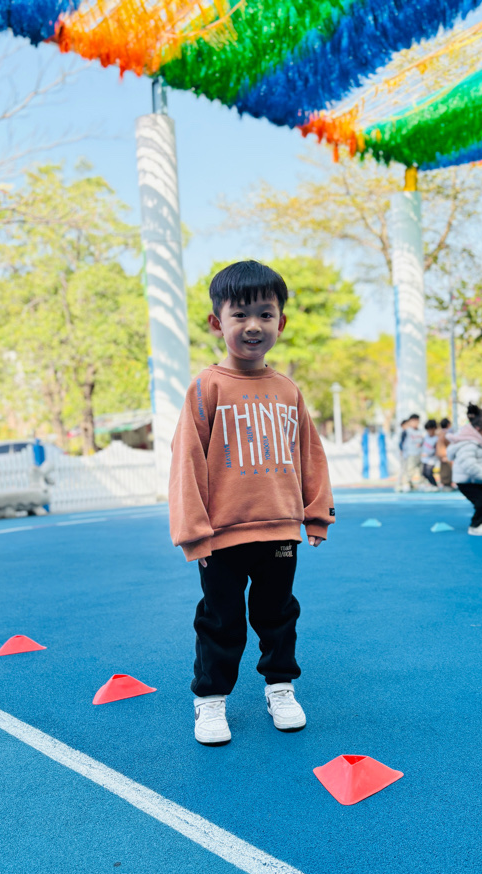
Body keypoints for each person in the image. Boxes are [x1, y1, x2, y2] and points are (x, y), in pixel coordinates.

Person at [169, 260, 334, 746]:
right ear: (216, 322)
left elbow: (309, 453)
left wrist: (316, 514)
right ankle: (210, 698)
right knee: (221, 620)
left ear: (281, 322)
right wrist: (193, 532)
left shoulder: (287, 390)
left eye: (265, 314)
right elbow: (186, 460)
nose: (253, 325)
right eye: (240, 315)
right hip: (221, 536)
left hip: (280, 531)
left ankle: (280, 688)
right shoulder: (207, 387)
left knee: (278, 615)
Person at [447, 403, 482, 536]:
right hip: (465, 481)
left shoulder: (481, 444)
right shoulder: (468, 444)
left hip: (475, 480)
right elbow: (468, 464)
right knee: (481, 501)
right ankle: (475, 525)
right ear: (478, 429)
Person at [397, 414, 423, 491]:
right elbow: (401, 442)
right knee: (409, 470)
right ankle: (406, 484)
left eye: (416, 421)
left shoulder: (420, 431)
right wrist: (402, 451)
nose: (415, 423)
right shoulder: (407, 431)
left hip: (420, 453)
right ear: (410, 422)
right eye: (413, 421)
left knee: (421, 470)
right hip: (410, 454)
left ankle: (421, 484)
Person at [436, 417, 455, 489]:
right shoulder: (446, 433)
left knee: (443, 469)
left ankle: (445, 484)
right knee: (447, 470)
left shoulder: (439, 433)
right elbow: (448, 443)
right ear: (448, 424)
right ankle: (447, 484)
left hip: (440, 453)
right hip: (445, 453)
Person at [420, 419, 439, 488]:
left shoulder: (436, 438)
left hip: (431, 459)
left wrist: (428, 454)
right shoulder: (426, 437)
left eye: (431, 429)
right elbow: (422, 445)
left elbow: (436, 450)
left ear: (434, 429)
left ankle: (434, 485)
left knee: (429, 473)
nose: (430, 431)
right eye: (428, 429)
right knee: (424, 473)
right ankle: (432, 484)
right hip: (424, 458)